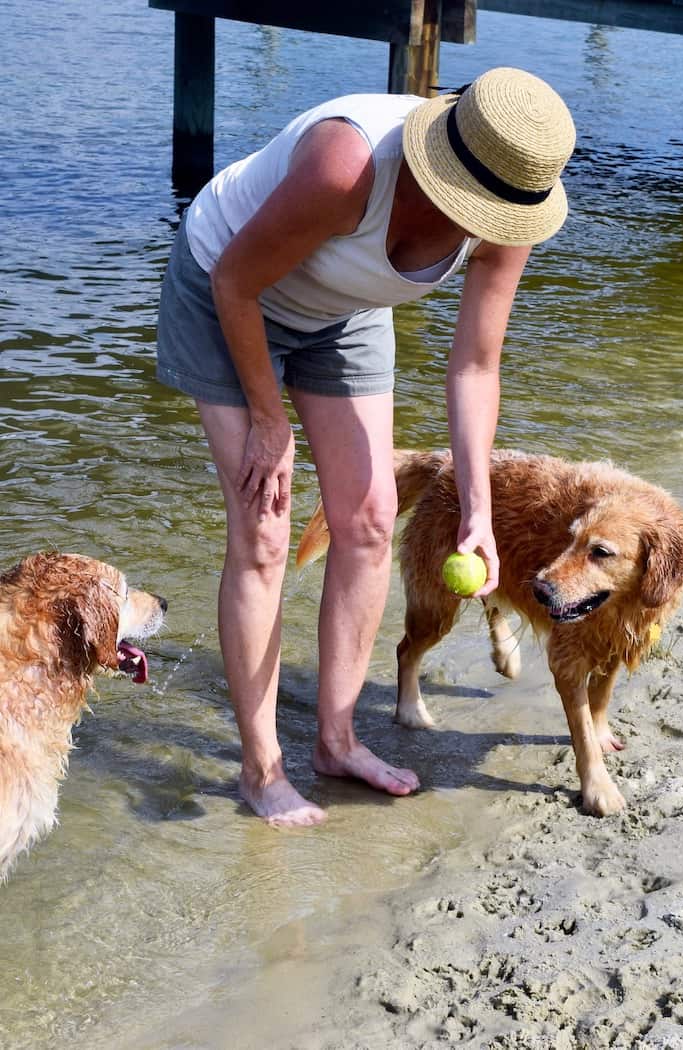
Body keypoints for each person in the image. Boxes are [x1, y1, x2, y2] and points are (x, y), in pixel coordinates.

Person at [156, 66, 576, 828]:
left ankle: (336, 741)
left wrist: (478, 512)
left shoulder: (510, 213)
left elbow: (477, 366)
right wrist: (268, 418)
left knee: (373, 518)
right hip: (229, 289)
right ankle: (262, 769)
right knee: (264, 531)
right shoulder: (345, 163)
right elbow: (235, 284)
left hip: (343, 312)